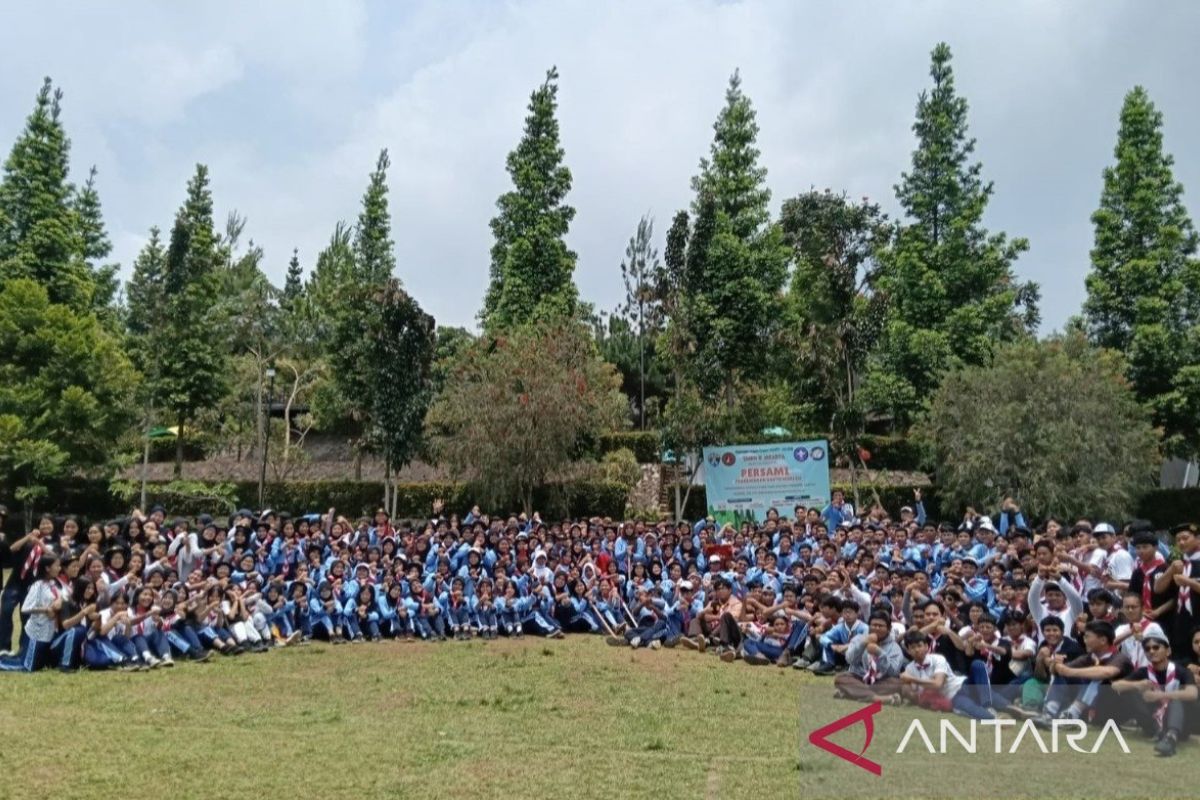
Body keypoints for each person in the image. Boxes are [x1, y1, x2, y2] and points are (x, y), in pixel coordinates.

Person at [1111, 628, 1198, 757]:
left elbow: (1193, 694)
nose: (1151, 651)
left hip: (1180, 724)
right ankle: (1158, 731)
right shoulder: (1144, 671)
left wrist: (1161, 695)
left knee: (1178, 697)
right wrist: (1137, 684)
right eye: (1147, 649)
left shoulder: (1181, 671)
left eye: (1156, 647)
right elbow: (1115, 685)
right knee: (1131, 691)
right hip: (1152, 721)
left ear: (1168, 651)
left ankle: (1170, 738)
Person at [0, 554, 61, 672]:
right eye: (56, 566)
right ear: (48, 568)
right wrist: (46, 609)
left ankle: (7, 658)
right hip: (36, 634)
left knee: (37, 665)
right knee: (27, 667)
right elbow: (26, 608)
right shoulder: (38, 586)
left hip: (48, 633)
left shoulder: (53, 584)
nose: (59, 568)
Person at [833, 611, 905, 702]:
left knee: (898, 684)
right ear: (869, 626)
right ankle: (876, 698)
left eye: (880, 626)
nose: (877, 628)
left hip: (881, 681)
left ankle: (853, 693)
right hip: (860, 678)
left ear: (889, 628)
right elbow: (850, 660)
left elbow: (893, 672)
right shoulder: (859, 638)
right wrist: (863, 643)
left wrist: (879, 653)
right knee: (841, 678)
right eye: (874, 625)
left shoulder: (895, 648)